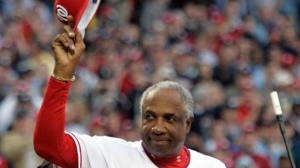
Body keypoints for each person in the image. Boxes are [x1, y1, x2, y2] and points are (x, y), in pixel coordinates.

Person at [33, 15, 226, 168]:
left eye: (169, 119)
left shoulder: (211, 165)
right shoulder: (111, 154)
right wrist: (62, 74)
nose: (157, 128)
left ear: (188, 124)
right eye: (150, 117)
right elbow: (48, 145)